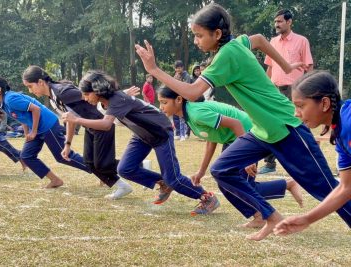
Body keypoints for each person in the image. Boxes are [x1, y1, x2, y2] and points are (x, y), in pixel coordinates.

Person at [135, 3, 351, 240]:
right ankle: (270, 216)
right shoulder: (236, 44)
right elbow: (258, 39)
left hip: (285, 127)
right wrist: (286, 66)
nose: (196, 41)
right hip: (261, 131)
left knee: (329, 190)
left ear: (217, 34)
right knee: (222, 169)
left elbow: (191, 92)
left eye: (199, 35)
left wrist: (154, 69)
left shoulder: (226, 55)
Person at [61, 70, 220, 216]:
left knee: (174, 178)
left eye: (86, 94)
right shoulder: (109, 100)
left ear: (96, 91)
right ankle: (163, 183)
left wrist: (75, 119)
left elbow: (106, 125)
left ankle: (207, 197)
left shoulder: (116, 99)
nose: (84, 98)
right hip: (142, 135)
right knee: (125, 168)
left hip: (159, 132)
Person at [158, 86, 303, 228]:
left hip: (247, 133)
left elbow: (236, 123)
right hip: (233, 138)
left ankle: (261, 214)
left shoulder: (196, 113)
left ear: (178, 100)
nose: (161, 107)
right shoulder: (189, 114)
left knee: (241, 186)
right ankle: (282, 190)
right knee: (227, 181)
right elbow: (211, 138)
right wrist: (201, 171)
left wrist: (248, 159)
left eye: (164, 102)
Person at [21, 65, 133, 199]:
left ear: (40, 82)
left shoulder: (62, 92)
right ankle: (123, 185)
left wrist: (122, 93)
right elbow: (70, 119)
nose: (30, 90)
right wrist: (67, 144)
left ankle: (136, 167)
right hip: (91, 127)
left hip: (102, 124)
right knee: (90, 163)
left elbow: (94, 92)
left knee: (101, 164)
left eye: (30, 86)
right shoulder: (53, 98)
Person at [274, 71, 351, 235]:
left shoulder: (349, 122)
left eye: (300, 106)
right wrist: (307, 219)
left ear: (324, 103)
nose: (296, 113)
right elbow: (345, 188)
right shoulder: (340, 132)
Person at [0, 75, 93, 189]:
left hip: (48, 125)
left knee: (63, 156)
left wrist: (34, 131)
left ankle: (99, 172)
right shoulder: (4, 103)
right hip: (37, 128)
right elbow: (22, 117)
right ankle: (55, 180)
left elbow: (36, 109)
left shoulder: (10, 99)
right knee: (26, 156)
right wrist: (27, 133)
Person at [259, 9, 314, 175]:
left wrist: (308, 90)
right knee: (270, 124)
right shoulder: (272, 42)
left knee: (298, 125)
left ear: (289, 22)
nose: (277, 24)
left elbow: (309, 66)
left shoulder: (301, 41)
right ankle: (269, 163)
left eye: (280, 21)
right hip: (274, 89)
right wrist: (264, 88)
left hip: (295, 90)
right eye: (275, 22)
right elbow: (269, 67)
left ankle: (307, 162)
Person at [173, 60, 191, 141]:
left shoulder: (186, 75)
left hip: (183, 98)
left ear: (182, 67)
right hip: (176, 98)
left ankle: (184, 134)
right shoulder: (176, 75)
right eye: (176, 68)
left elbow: (186, 86)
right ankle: (177, 133)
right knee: (175, 116)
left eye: (179, 68)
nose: (178, 70)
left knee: (182, 116)